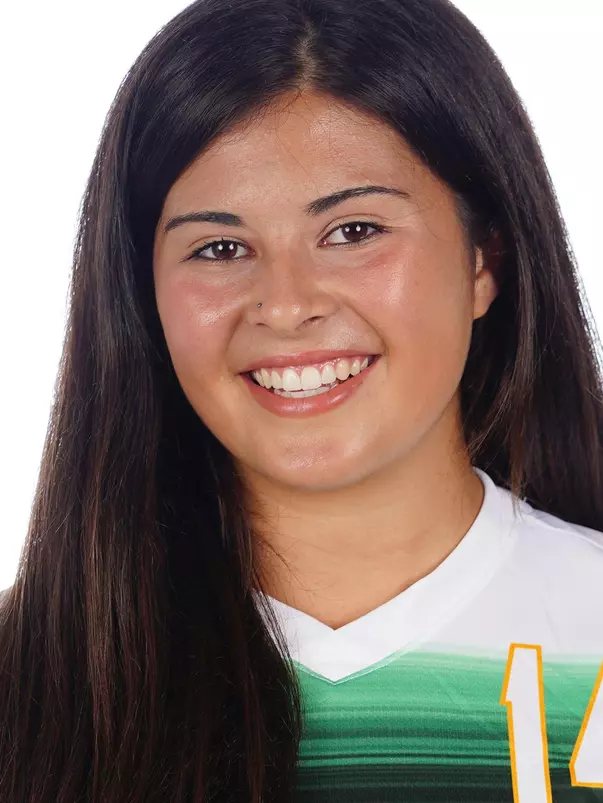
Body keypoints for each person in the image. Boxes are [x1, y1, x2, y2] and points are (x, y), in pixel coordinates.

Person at [1, 0, 603, 800]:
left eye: (353, 231)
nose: (285, 305)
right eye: (219, 248)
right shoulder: (25, 678)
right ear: (142, 296)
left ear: (482, 263)